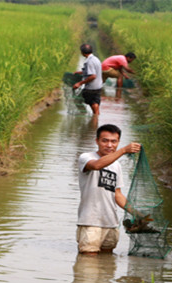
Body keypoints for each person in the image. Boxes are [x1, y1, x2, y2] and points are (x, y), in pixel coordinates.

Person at [76, 124, 141, 254]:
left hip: (111, 222)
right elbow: (96, 165)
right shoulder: (86, 157)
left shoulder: (116, 165)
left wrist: (137, 213)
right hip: (90, 222)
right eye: (105, 141)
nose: (109, 145)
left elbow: (117, 195)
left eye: (114, 141)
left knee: (107, 263)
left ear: (118, 142)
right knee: (88, 263)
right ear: (97, 141)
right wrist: (122, 151)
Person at [73, 44, 103, 118]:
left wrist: (79, 83)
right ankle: (96, 118)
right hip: (98, 86)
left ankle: (84, 114)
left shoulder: (89, 62)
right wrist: (80, 72)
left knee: (77, 100)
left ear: (82, 52)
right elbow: (93, 71)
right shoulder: (96, 59)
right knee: (95, 102)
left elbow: (93, 76)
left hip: (91, 88)